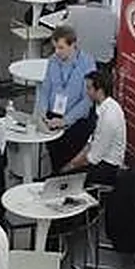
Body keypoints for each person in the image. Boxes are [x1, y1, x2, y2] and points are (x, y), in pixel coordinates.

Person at [36, 25, 98, 169]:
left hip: (76, 120)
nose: (57, 52)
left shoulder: (87, 64)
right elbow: (45, 89)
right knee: (55, 158)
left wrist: (65, 120)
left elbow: (87, 100)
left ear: (73, 45)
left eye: (61, 47)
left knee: (69, 160)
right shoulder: (53, 61)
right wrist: (43, 112)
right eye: (55, 47)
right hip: (53, 116)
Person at [60, 70, 126, 186]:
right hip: (97, 160)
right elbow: (90, 142)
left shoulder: (109, 117)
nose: (87, 92)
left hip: (107, 168)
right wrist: (72, 162)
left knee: (62, 181)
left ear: (99, 91)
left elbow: (93, 157)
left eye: (89, 88)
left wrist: (70, 167)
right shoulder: (101, 106)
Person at [66, 0, 117, 64]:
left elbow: (63, 31)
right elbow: (117, 37)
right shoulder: (113, 17)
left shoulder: (75, 14)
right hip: (104, 62)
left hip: (79, 61)